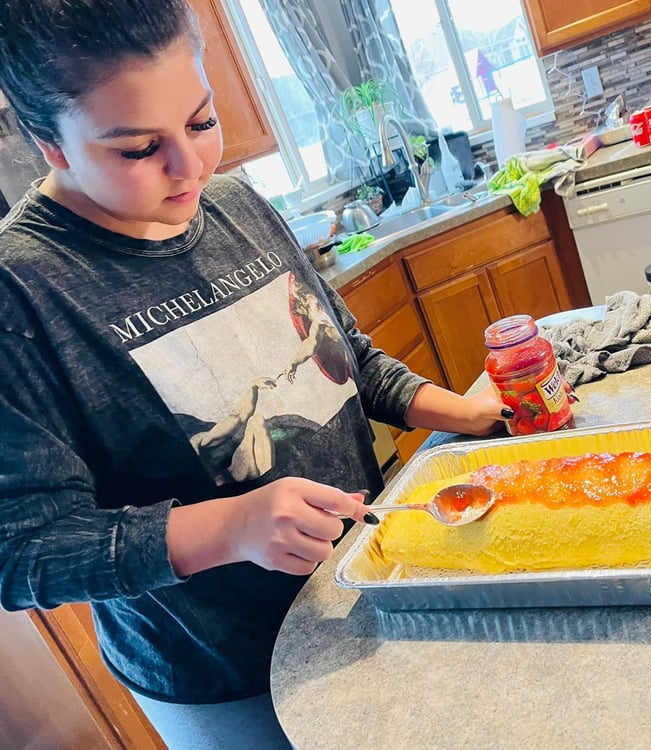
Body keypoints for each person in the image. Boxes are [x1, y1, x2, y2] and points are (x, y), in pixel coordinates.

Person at [0, 1, 506, 748]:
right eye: (139, 149)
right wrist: (229, 528)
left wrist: (466, 413)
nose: (191, 166)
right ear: (51, 142)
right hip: (229, 676)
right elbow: (23, 553)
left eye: (201, 122)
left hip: (371, 586)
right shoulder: (23, 290)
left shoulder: (234, 202)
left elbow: (349, 360)